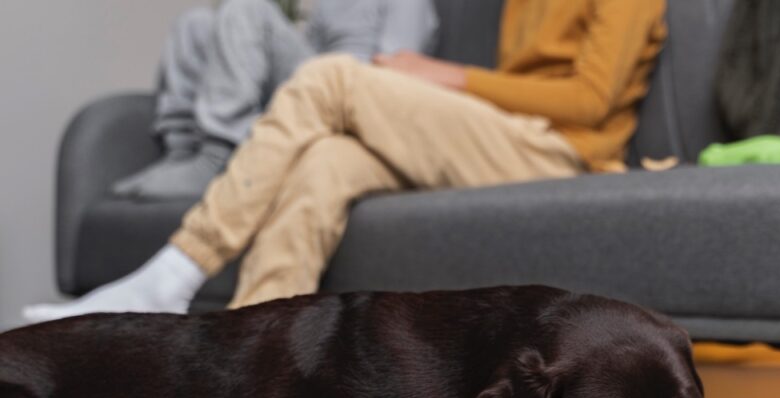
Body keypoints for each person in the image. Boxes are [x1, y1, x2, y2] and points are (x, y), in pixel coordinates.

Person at [24, 0, 666, 322]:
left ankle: (175, 272)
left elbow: (589, 100)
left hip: (563, 151)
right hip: (500, 132)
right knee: (324, 162)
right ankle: (250, 362)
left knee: (332, 79)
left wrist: (444, 77)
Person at [113, 0, 438, 199]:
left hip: (353, 96)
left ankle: (219, 157)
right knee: (194, 24)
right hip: (311, 88)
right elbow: (304, 54)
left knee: (248, 7)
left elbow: (399, 73)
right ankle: (183, 153)